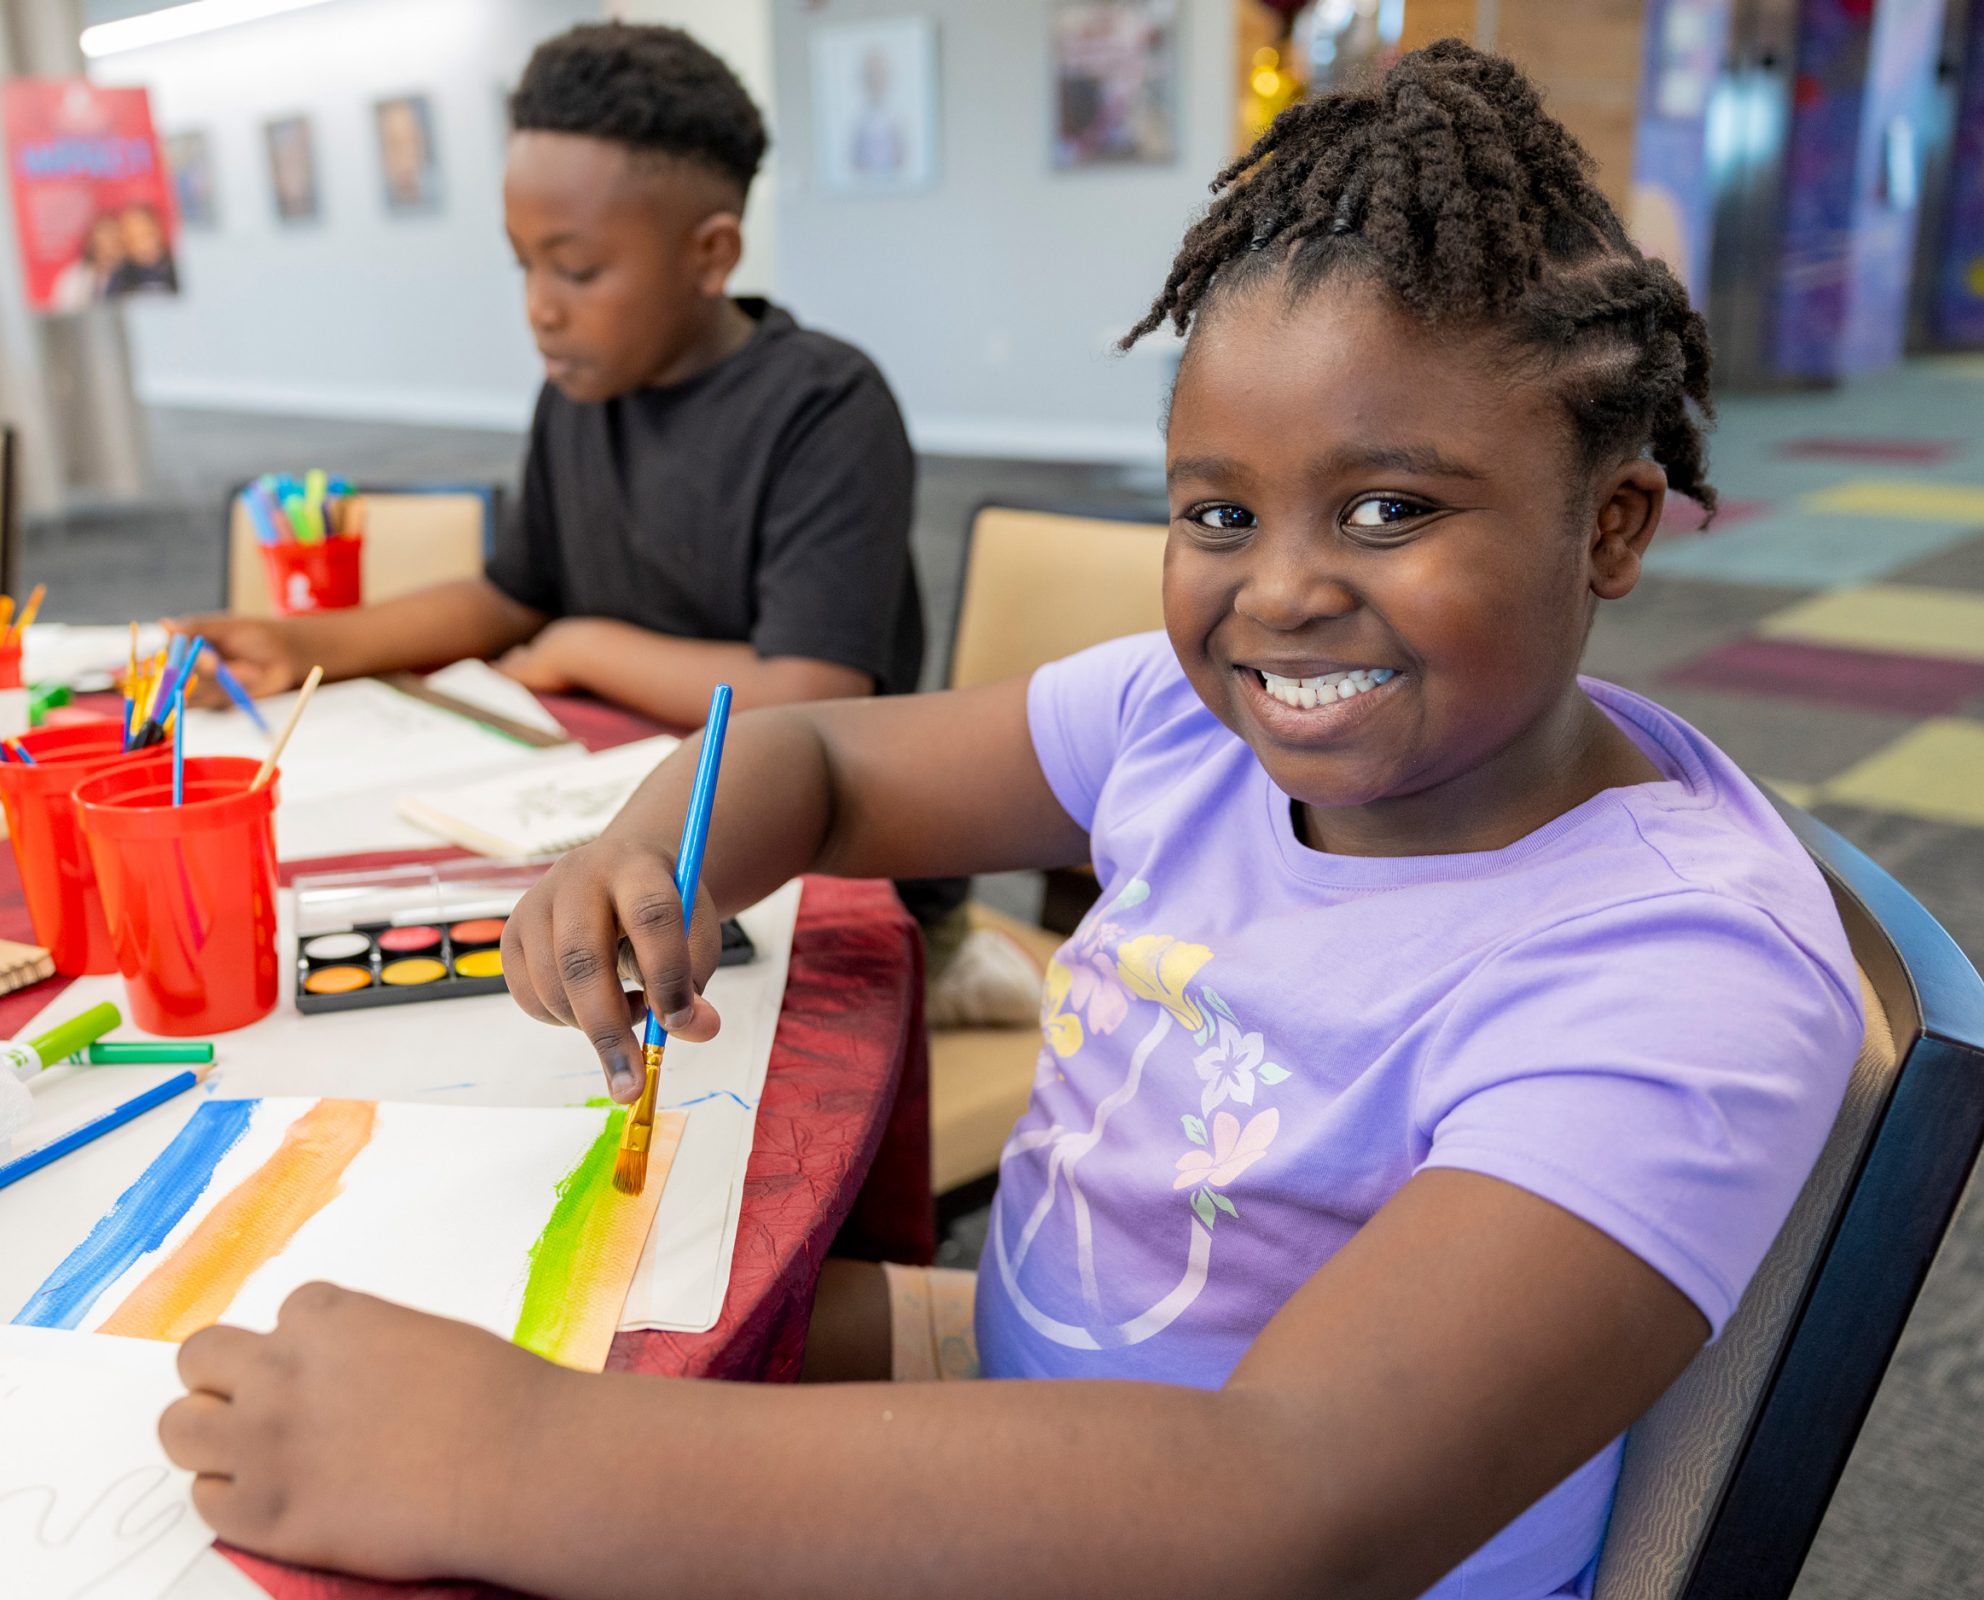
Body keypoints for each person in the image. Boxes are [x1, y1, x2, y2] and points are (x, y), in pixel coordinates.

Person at [154, 44, 1865, 1599]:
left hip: (1225, 1529)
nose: (1280, 592)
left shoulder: (1680, 966)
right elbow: (822, 764)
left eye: (1390, 508)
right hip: (1022, 1361)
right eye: (1218, 513)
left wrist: (513, 1461)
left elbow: (1292, 1505)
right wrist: (650, 843)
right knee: (492, 1318)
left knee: (509, 1457)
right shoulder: (1185, 723)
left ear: (1614, 525)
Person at [176, 24, 1021, 1020]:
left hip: (818, 865)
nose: (540, 308)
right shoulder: (577, 394)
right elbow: (510, 593)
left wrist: (583, 645)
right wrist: (305, 643)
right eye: (523, 266)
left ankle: (956, 969)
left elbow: (805, 694)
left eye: (575, 271)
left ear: (709, 254)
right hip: (621, 813)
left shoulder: (825, 407)